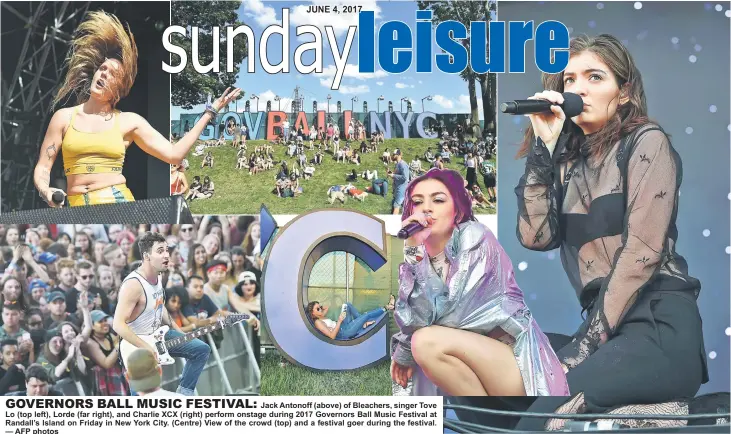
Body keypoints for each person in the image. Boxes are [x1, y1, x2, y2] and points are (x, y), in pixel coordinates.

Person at [513, 34, 707, 430]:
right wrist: (542, 150)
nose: (578, 88)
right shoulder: (567, 163)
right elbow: (535, 237)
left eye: (595, 77)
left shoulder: (645, 143)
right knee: (504, 377)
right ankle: (641, 413)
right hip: (608, 333)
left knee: (540, 419)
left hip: (657, 326)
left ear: (624, 93)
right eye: (569, 80)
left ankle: (679, 411)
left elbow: (642, 253)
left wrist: (583, 347)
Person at [33, 11, 241, 208]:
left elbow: (174, 155)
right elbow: (43, 167)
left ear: (120, 88)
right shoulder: (64, 117)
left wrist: (210, 112)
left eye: (112, 74)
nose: (103, 74)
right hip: (76, 206)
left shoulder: (128, 121)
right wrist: (46, 191)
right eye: (102, 69)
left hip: (117, 203)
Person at [390, 168, 569, 397]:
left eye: (438, 200)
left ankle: (492, 422)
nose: (426, 208)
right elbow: (415, 317)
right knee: (415, 358)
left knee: (424, 343)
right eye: (417, 202)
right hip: (471, 361)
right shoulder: (417, 255)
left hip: (517, 365)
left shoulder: (476, 237)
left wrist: (407, 347)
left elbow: (454, 316)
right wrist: (414, 252)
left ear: (456, 210)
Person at [112, 232, 211, 396]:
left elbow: (159, 305)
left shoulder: (157, 276)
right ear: (146, 256)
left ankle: (184, 394)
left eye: (166, 250)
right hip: (136, 346)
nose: (166, 255)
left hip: (157, 335)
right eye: (160, 251)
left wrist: (177, 329)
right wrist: (147, 347)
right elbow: (118, 325)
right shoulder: (133, 285)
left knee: (201, 349)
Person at [308, 296, 395, 340]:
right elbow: (332, 336)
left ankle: (363, 323)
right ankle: (388, 307)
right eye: (318, 309)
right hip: (344, 332)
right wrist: (339, 321)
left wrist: (321, 308)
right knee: (367, 315)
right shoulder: (318, 323)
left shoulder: (321, 317)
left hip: (343, 325)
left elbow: (326, 308)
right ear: (312, 313)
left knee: (347, 305)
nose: (320, 309)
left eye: (320, 307)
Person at [389, 149, 410, 214]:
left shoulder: (402, 164)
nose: (392, 156)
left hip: (402, 188)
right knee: (400, 205)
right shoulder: (398, 164)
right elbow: (397, 175)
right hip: (397, 188)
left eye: (394, 154)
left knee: (396, 206)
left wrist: (393, 175)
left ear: (398, 155)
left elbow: (405, 177)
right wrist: (391, 173)